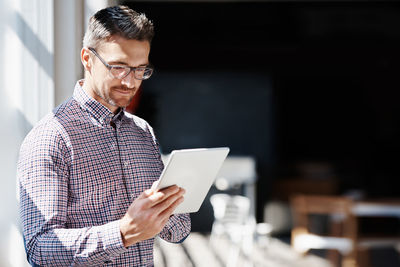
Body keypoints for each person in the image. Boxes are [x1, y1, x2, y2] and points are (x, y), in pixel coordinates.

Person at [18, 5, 190, 266]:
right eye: (119, 67)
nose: (130, 82)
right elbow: (40, 248)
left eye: (140, 69)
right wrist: (122, 233)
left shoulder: (142, 133)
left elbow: (177, 231)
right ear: (87, 58)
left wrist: (170, 207)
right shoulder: (50, 138)